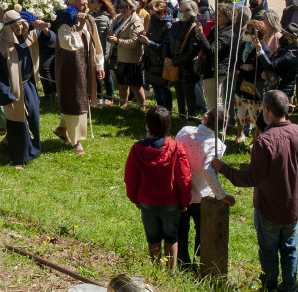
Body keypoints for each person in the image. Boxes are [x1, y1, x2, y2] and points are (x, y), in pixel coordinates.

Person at [213, 91, 298, 292]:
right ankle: (290, 286)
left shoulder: (264, 141)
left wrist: (223, 168)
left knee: (269, 250)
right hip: (293, 206)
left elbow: (251, 178)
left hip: (269, 208)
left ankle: (269, 286)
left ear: (267, 110)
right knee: (289, 248)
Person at [124, 106, 192, 270]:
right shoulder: (175, 147)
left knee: (152, 238)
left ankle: (156, 270)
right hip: (171, 202)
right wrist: (185, 201)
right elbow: (184, 177)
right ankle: (171, 272)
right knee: (171, 237)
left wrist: (134, 198)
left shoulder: (137, 149)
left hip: (147, 202)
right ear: (168, 126)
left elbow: (130, 178)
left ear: (147, 125)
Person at [175, 107, 234, 270]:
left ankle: (182, 261)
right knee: (201, 230)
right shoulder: (217, 145)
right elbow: (209, 170)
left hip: (181, 191)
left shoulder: (185, 132)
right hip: (201, 195)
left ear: (206, 117)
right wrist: (221, 195)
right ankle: (197, 260)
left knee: (181, 228)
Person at [52, 0, 105, 155]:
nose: (86, 6)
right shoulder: (64, 21)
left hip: (85, 65)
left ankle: (62, 128)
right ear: (72, 5)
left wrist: (99, 64)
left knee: (80, 97)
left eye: (87, 3)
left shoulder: (89, 20)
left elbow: (96, 42)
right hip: (70, 67)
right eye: (83, 4)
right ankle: (78, 142)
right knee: (75, 99)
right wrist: (80, 27)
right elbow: (68, 43)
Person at [0, 10, 43, 168]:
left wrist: (44, 27)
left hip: (28, 84)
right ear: (8, 27)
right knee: (16, 123)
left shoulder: (28, 35)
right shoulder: (0, 43)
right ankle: (18, 158)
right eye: (16, 26)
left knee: (33, 117)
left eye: (21, 24)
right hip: (13, 88)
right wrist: (7, 96)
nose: (20, 28)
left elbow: (52, 39)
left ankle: (33, 151)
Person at [107, 0, 146, 109]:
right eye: (121, 6)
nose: (122, 9)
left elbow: (134, 42)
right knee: (121, 83)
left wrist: (117, 41)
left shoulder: (136, 22)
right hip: (118, 57)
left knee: (135, 85)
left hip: (131, 59)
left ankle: (142, 107)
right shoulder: (119, 19)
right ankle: (123, 104)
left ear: (132, 9)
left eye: (125, 7)